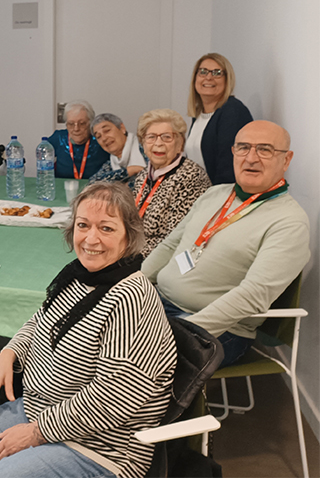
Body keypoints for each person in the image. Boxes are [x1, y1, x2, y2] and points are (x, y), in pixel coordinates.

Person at [0, 182, 177, 478]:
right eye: (83, 225)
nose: (91, 238)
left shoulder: (131, 297)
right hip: (41, 409)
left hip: (100, 447)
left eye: (106, 228)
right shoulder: (81, 275)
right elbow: (41, 320)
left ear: (129, 237)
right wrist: (9, 352)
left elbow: (116, 397)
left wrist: (37, 433)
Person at [143, 120, 309, 368]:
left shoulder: (289, 222)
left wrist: (187, 331)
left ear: (286, 160)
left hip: (217, 330)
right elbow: (170, 245)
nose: (251, 158)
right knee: (88, 333)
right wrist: (131, 288)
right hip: (159, 303)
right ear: (234, 152)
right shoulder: (216, 194)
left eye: (265, 149)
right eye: (243, 147)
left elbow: (253, 295)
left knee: (130, 364)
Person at [132, 109, 211, 256]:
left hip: (158, 261)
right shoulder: (144, 175)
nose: (158, 143)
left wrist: (127, 254)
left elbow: (174, 241)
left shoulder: (191, 177)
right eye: (151, 137)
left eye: (167, 137)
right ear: (143, 142)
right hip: (131, 252)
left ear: (180, 143)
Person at [185, 53, 253, 185]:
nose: (209, 77)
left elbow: (228, 169)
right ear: (195, 78)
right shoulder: (199, 114)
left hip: (221, 197)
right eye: (203, 72)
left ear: (227, 80)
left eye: (217, 73)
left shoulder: (232, 111)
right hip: (201, 195)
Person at [47, 100, 109, 179]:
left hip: (95, 188)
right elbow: (42, 157)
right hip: (63, 188)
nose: (76, 129)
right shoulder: (59, 138)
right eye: (71, 124)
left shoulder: (100, 139)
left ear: (91, 123)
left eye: (82, 123)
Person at [88, 113, 146, 186]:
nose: (104, 138)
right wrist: (128, 171)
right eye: (98, 136)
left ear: (122, 128)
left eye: (107, 131)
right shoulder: (112, 162)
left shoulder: (145, 148)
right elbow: (92, 182)